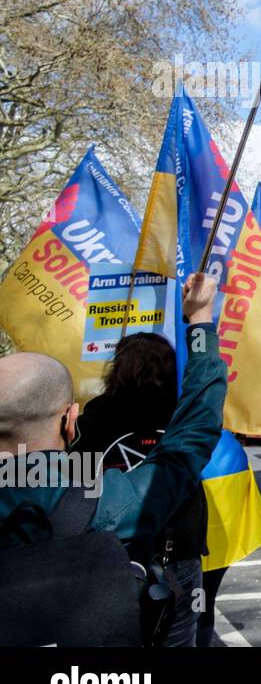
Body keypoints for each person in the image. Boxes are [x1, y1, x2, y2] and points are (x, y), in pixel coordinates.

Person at [0, 273, 225, 646]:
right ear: (70, 421)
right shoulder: (106, 506)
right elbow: (195, 430)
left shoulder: (97, 424)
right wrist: (200, 318)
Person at [75, 332, 209, 646]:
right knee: (179, 636)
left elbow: (76, 481)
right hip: (180, 553)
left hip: (111, 550)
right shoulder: (183, 415)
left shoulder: (95, 418)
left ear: (117, 367)